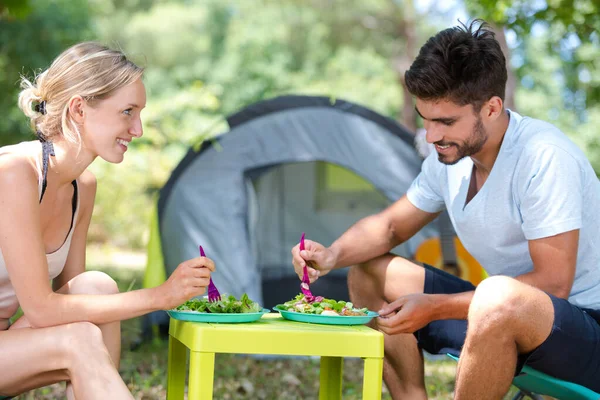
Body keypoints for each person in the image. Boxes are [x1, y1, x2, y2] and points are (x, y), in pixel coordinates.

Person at [291, 19, 600, 399]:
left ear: (491, 108)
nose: (432, 135)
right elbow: (390, 227)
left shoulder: (543, 156)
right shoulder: (448, 158)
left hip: (586, 328)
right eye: (426, 120)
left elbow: (554, 285)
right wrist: (330, 254)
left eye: (446, 121)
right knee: (369, 270)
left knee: (496, 296)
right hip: (502, 313)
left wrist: (435, 308)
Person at [0, 42, 215, 399]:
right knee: (79, 337)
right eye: (127, 112)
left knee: (96, 287)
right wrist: (160, 296)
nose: (138, 129)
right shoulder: (13, 173)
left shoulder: (82, 186)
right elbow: (40, 310)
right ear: (80, 109)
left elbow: (78, 305)